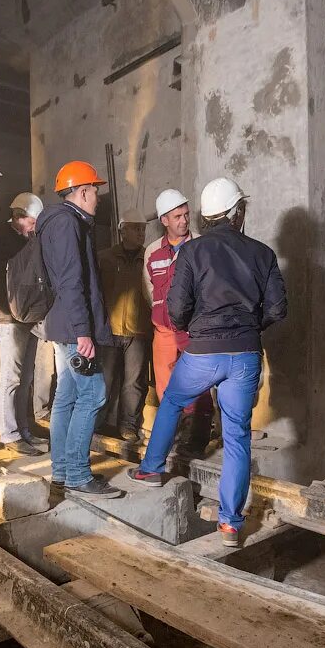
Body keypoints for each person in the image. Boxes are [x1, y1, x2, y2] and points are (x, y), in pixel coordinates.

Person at [128, 177, 287, 548]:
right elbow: (278, 308)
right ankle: (230, 524)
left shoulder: (192, 252)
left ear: (205, 216)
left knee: (172, 402)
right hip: (245, 354)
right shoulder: (262, 253)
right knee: (236, 437)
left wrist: (195, 330)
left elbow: (177, 307)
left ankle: (152, 469)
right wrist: (248, 328)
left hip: (202, 352)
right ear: (236, 212)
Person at [37, 161, 120, 498]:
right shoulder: (67, 224)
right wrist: (84, 331)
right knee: (93, 395)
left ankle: (61, 472)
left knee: (66, 398)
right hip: (74, 328)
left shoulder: (61, 222)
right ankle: (77, 475)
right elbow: (72, 281)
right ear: (83, 191)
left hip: (64, 324)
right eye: (95, 191)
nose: (97, 198)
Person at [143, 189, 214, 453]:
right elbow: (148, 289)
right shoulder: (152, 252)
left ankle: (196, 437)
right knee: (165, 384)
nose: (184, 221)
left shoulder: (201, 246)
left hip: (192, 330)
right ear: (164, 220)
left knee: (198, 382)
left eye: (186, 215)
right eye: (177, 217)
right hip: (163, 330)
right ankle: (172, 434)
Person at [0, 192, 48, 456]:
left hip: (28, 315)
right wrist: (5, 312)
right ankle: (9, 433)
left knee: (25, 377)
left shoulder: (28, 239)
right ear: (18, 216)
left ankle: (24, 431)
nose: (34, 227)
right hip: (9, 316)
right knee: (11, 376)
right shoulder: (0, 241)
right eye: (32, 222)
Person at [97, 208, 152, 442]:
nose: (141, 233)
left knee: (134, 383)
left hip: (138, 330)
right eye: (136, 228)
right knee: (104, 381)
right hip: (110, 330)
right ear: (123, 230)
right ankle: (96, 423)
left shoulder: (148, 257)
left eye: (143, 229)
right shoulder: (106, 258)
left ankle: (128, 426)